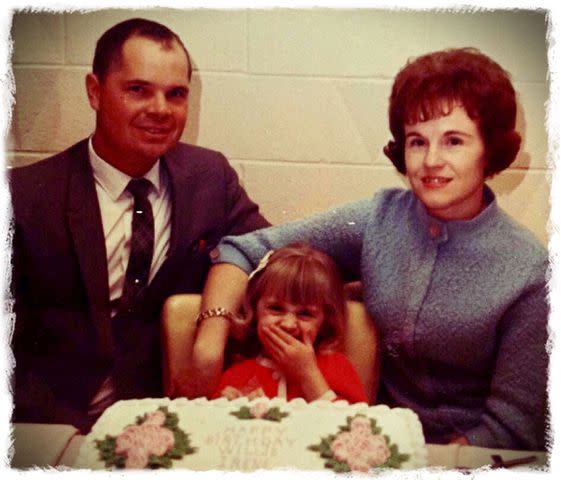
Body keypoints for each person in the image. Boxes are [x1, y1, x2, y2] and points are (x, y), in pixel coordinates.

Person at [189, 48, 549, 450]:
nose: (431, 160)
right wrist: (210, 336)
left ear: (490, 150)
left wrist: (421, 461)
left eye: (453, 141)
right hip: (370, 436)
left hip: (465, 454)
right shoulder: (378, 219)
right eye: (417, 141)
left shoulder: (530, 271)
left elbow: (512, 428)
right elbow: (245, 249)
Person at [9, 18, 268, 432]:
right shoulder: (24, 197)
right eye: (138, 90)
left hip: (165, 423)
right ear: (95, 92)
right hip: (49, 429)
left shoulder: (208, 176)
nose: (161, 110)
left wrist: (212, 328)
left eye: (176, 94)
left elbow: (262, 249)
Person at [201, 244, 368, 403]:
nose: (288, 324)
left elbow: (354, 425)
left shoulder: (337, 367)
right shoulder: (237, 373)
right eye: (276, 309)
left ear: (325, 321)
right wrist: (229, 407)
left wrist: (308, 374)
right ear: (254, 309)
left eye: (305, 314)